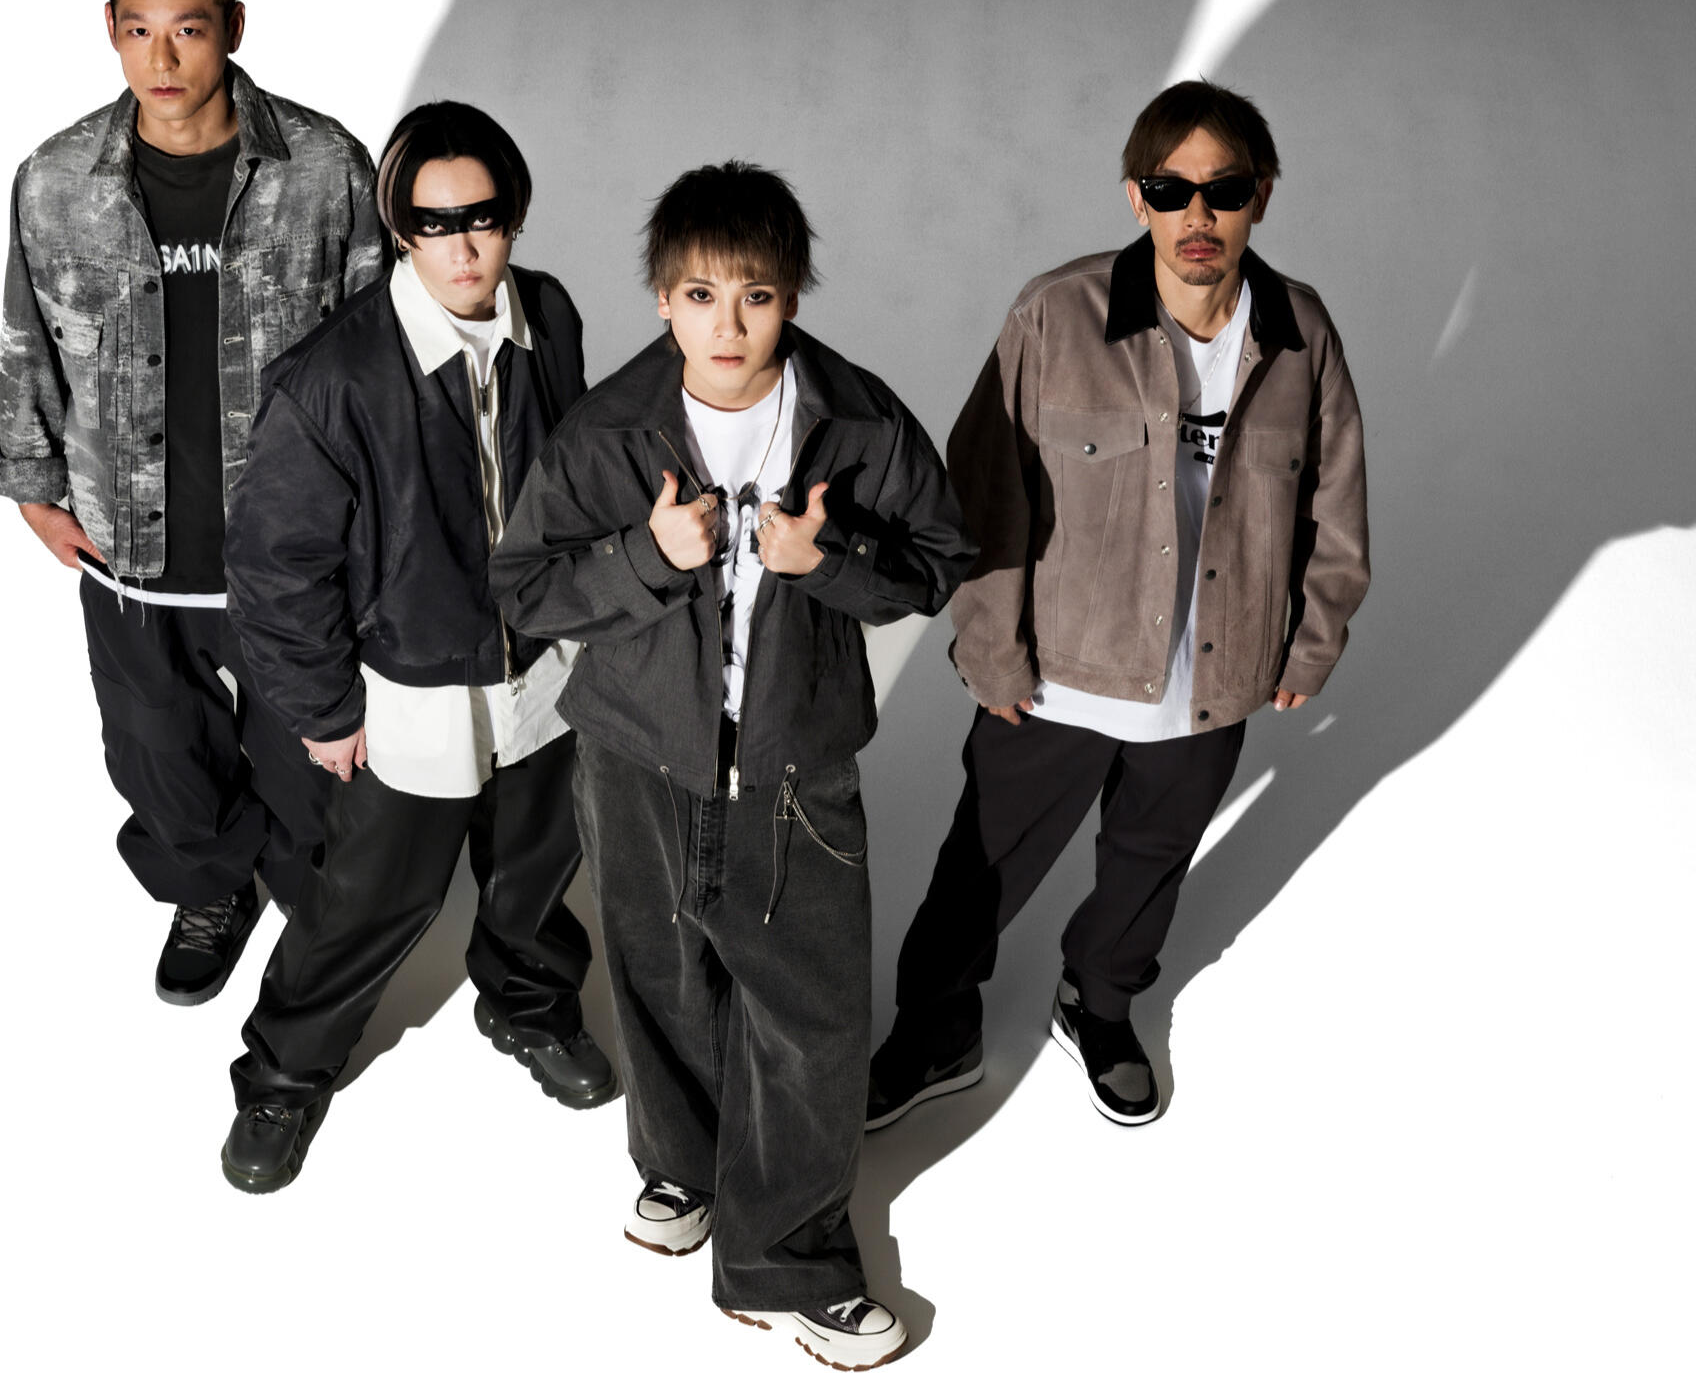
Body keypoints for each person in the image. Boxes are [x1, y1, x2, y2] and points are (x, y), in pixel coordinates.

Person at [491, 163, 972, 1373]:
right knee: (660, 976)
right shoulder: (608, 429)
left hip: (792, 765)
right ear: (662, 298)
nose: (727, 325)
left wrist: (828, 557)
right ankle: (685, 1167)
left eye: (754, 295)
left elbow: (935, 563)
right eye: (700, 295)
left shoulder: (858, 421)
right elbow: (527, 588)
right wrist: (647, 555)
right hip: (636, 755)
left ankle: (787, 1257)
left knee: (808, 1015)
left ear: (790, 297)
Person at [868, 80, 1369, 1131]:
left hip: (1211, 678)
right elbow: (984, 493)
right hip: (1057, 671)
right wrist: (990, 650)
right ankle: (935, 1029)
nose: (1198, 214)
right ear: (1136, 197)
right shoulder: (1057, 314)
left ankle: (1098, 1005)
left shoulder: (1299, 330)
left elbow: (1336, 498)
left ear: (1261, 196)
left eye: (1224, 189)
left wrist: (1310, 642)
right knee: (979, 871)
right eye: (1170, 189)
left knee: (1147, 868)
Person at [0, 0, 383, 1006]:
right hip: (130, 548)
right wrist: (33, 485)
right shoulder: (57, 179)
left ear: (234, 26)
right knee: (159, 755)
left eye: (189, 30)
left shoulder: (324, 167)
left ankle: (317, 914)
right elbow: (25, 335)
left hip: (291, 549)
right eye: (138, 30)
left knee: (316, 766)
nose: (162, 61)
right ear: (111, 29)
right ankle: (210, 887)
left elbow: (378, 347)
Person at [217, 101, 612, 1195]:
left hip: (543, 673)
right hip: (409, 691)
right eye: (434, 224)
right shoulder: (333, 376)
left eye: (480, 217)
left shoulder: (551, 317)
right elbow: (273, 564)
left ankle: (528, 1004)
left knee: (536, 870)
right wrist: (323, 709)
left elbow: (575, 477)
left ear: (512, 216)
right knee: (367, 901)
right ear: (400, 229)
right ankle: (283, 1074)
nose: (462, 246)